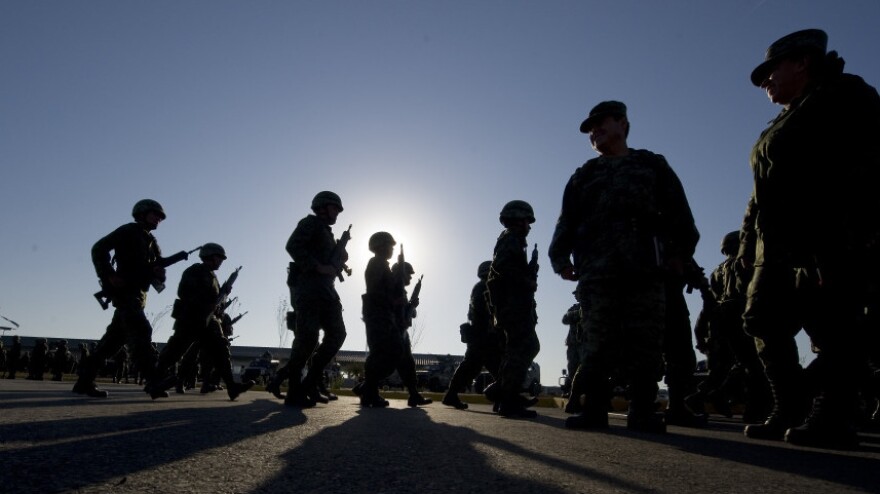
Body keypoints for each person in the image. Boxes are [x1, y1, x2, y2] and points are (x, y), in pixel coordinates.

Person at [739, 29, 880, 448]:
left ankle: (834, 415)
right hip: (776, 244)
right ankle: (790, 403)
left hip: (831, 235)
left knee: (835, 326)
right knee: (762, 319)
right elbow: (759, 192)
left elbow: (873, 164)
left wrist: (862, 230)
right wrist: (748, 244)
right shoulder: (783, 119)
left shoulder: (846, 95)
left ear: (802, 62)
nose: (766, 80)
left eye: (772, 70)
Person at [549, 100, 699, 433]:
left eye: (600, 124)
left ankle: (643, 410)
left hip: (644, 272)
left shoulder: (651, 166)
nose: (594, 132)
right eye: (590, 129)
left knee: (645, 343)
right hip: (598, 275)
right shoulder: (584, 175)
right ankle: (594, 410)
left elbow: (680, 214)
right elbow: (567, 221)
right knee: (598, 344)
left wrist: (680, 254)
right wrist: (560, 259)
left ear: (622, 123)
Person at [73, 199, 175, 398]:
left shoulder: (153, 243)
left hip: (139, 295)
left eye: (160, 217)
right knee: (142, 330)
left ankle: (84, 381)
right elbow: (98, 249)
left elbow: (156, 273)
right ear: (141, 214)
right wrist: (109, 275)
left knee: (111, 342)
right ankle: (153, 381)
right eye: (154, 214)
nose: (158, 219)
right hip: (125, 293)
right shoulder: (128, 231)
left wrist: (159, 274)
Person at [267, 191, 349, 408]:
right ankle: (295, 391)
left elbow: (331, 262)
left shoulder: (327, 233)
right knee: (308, 339)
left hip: (327, 291)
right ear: (322, 207)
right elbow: (293, 246)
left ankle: (310, 381)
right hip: (309, 289)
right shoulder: (310, 223)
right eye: (335, 208)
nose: (337, 213)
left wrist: (339, 258)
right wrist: (317, 266)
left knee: (337, 334)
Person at [152, 242, 254, 400]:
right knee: (175, 351)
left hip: (208, 321)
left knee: (221, 348)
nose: (220, 261)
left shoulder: (213, 277)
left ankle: (232, 387)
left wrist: (222, 296)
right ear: (209, 256)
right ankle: (154, 382)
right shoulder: (195, 271)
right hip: (191, 318)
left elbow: (214, 299)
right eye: (218, 258)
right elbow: (184, 292)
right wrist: (208, 303)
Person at [358, 232, 431, 408]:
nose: (391, 249)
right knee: (386, 355)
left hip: (387, 318)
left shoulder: (382, 265)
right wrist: (395, 301)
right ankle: (368, 389)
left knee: (405, 359)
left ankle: (411, 394)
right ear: (380, 246)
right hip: (380, 317)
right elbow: (375, 292)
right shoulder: (376, 263)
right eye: (389, 246)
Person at [487, 200, 541, 419]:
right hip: (513, 306)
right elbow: (503, 269)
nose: (529, 226)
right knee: (524, 347)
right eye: (527, 221)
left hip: (513, 306)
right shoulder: (511, 239)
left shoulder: (514, 241)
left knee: (518, 349)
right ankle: (507, 398)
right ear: (519, 220)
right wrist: (526, 281)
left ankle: (503, 394)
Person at [442, 261, 504, 410]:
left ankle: (452, 395)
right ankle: (501, 399)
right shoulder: (483, 287)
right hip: (483, 336)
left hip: (482, 335)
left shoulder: (484, 287)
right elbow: (483, 310)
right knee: (498, 368)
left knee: (473, 367)